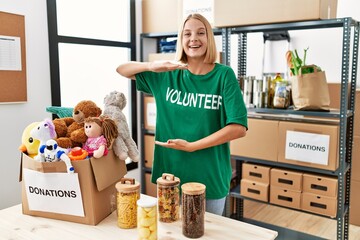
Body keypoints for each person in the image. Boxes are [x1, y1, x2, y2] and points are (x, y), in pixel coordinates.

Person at [116, 13, 248, 215]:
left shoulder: (224, 75)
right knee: (170, 233)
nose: (193, 38)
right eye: (187, 34)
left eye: (200, 33)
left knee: (206, 235)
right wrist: (152, 65)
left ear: (209, 39)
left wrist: (193, 147)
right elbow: (121, 69)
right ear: (181, 40)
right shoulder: (167, 74)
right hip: (170, 178)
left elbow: (238, 128)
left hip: (209, 179)